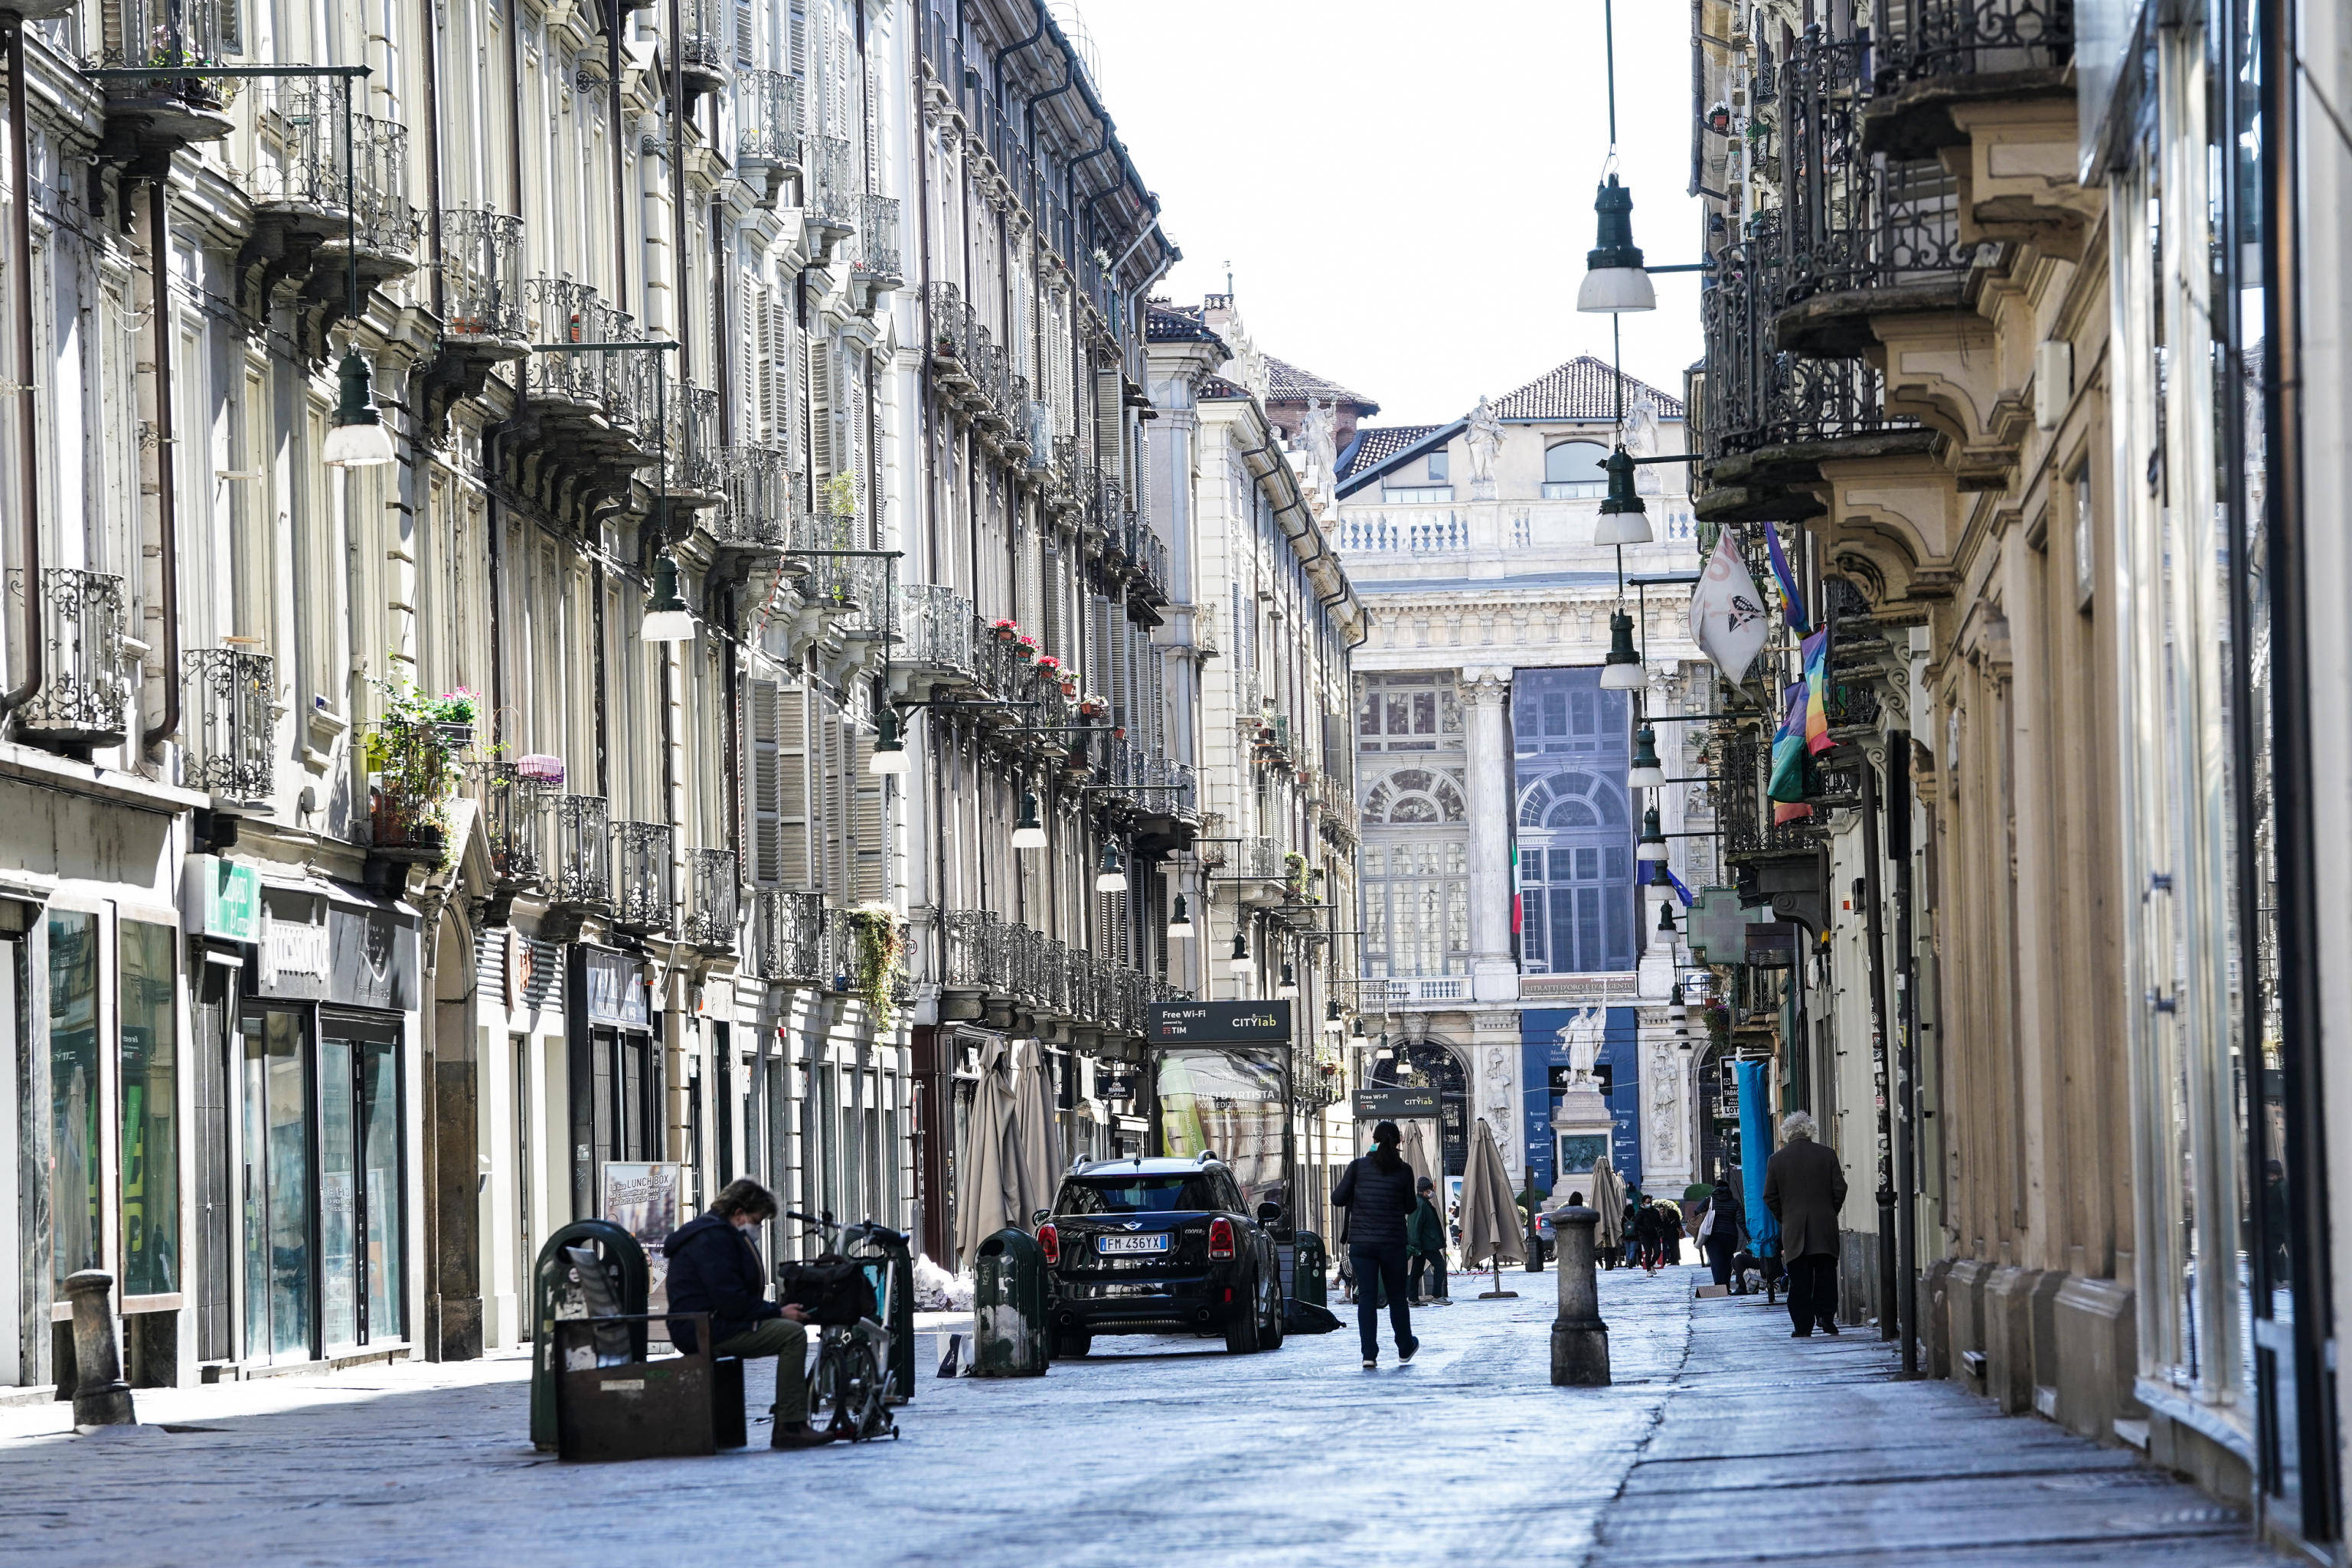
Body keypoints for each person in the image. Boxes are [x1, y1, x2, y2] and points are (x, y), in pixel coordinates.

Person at [663, 1177, 828, 1449]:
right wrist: (777, 1312)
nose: (758, 1227)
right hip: (705, 1328)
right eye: (758, 1220)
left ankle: (792, 1422)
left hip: (705, 1323)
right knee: (792, 1335)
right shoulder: (713, 1237)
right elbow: (731, 1300)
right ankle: (791, 1425)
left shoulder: (714, 1232)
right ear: (739, 1213)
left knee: (788, 1330)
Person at [1333, 1121, 1419, 1369]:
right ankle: (1405, 1347)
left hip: (1362, 1244)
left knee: (1367, 1298)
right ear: (1398, 1142)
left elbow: (1337, 1198)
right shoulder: (1404, 1170)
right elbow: (1410, 1207)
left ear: (1374, 1139)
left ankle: (1369, 1355)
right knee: (1397, 1297)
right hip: (1392, 1243)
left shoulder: (1358, 1167)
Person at [1763, 1109, 1850, 1337]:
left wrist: (1786, 1217)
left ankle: (1803, 1326)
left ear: (1787, 1133)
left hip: (1794, 1230)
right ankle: (1826, 1318)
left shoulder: (1776, 1160)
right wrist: (1830, 1211)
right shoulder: (1827, 1154)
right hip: (1824, 1226)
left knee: (1799, 1281)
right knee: (1826, 1276)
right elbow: (1840, 1188)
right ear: (1810, 1131)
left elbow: (1769, 1197)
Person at [1407, 1176, 1450, 1305]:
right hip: (1425, 1244)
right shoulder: (1420, 1204)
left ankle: (1413, 1298)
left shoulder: (1423, 1203)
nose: (1431, 1192)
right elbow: (1415, 1226)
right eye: (1429, 1190)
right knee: (1440, 1265)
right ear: (1424, 1191)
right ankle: (1437, 1296)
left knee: (1417, 1270)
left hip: (1425, 1243)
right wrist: (1415, 1245)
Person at [1700, 1178, 1743, 1286]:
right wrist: (1749, 1237)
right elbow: (1741, 1221)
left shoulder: (1709, 1200)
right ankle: (1726, 1285)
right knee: (1728, 1261)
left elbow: (1697, 1212)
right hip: (1730, 1235)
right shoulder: (1734, 1203)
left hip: (1712, 1236)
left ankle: (1719, 1287)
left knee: (1716, 1262)